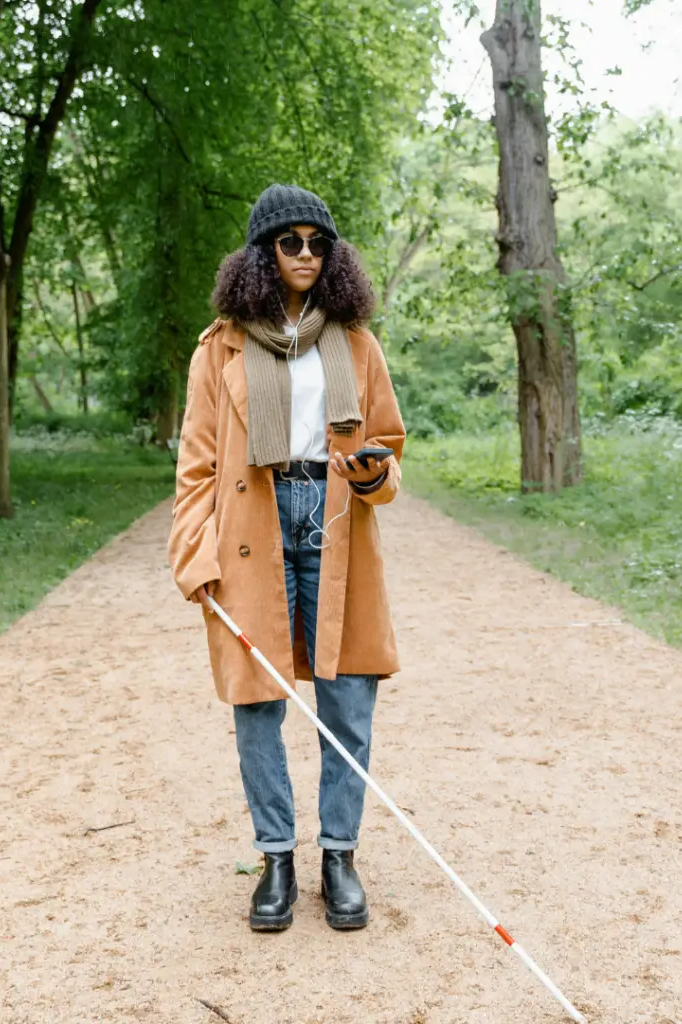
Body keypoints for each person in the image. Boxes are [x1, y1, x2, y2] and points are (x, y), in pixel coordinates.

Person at [168, 183, 405, 933]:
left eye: (318, 243)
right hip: (253, 529)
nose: (305, 254)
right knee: (257, 705)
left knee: (348, 703)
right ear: (262, 255)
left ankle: (340, 857)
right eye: (290, 242)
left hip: (335, 526)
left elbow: (389, 446)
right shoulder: (222, 346)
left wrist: (376, 473)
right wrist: (194, 557)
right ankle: (276, 857)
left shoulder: (357, 344)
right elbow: (197, 466)